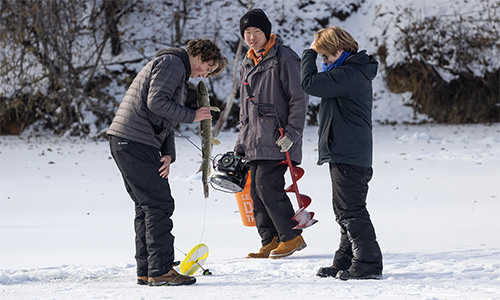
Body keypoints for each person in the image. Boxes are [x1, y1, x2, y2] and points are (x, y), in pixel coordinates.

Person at [108, 39, 227, 286]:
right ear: (200, 55)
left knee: (147, 206)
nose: (206, 73)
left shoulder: (176, 70)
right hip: (134, 139)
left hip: (133, 140)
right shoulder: (172, 63)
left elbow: (164, 117)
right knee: (159, 203)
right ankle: (161, 270)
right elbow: (157, 103)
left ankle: (148, 269)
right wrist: (192, 116)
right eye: (209, 67)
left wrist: (168, 154)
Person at [300, 26, 383, 280]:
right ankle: (345, 262)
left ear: (339, 50)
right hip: (346, 152)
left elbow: (308, 83)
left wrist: (310, 52)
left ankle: (368, 263)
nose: (323, 61)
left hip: (349, 154)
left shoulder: (348, 74)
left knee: (351, 211)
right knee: (345, 210)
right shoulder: (347, 71)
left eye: (326, 56)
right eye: (321, 57)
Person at [234, 8, 309, 259]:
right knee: (255, 191)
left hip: (278, 138)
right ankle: (271, 239)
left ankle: (292, 237)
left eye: (257, 31)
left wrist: (292, 133)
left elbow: (299, 98)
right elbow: (245, 109)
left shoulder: (284, 57)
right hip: (254, 140)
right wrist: (241, 142)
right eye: (247, 32)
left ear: (267, 32)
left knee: (268, 185)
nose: (252, 37)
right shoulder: (247, 63)